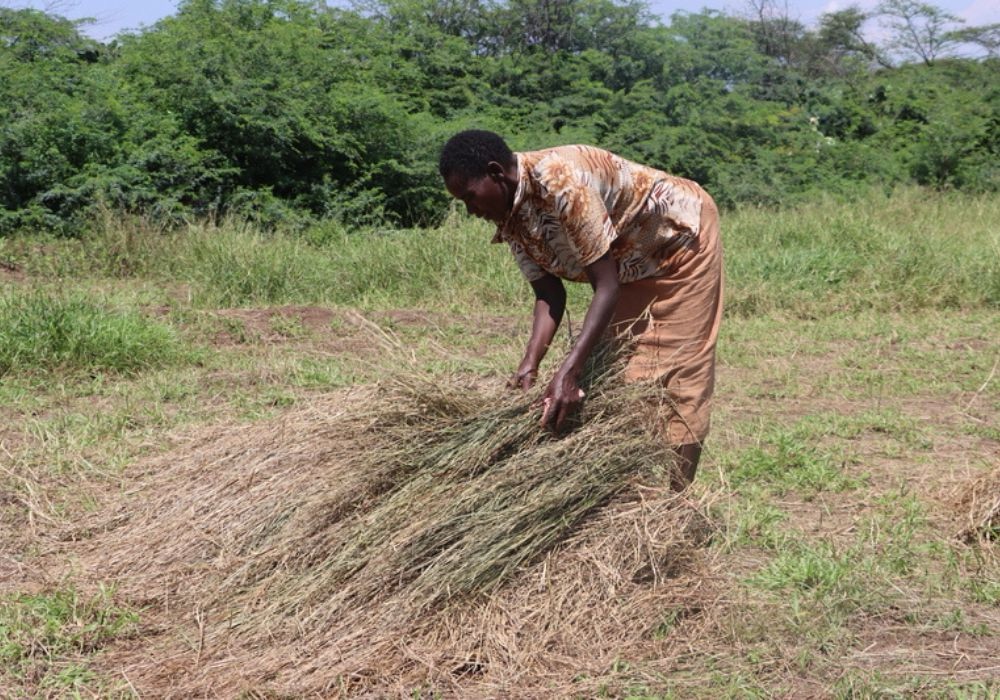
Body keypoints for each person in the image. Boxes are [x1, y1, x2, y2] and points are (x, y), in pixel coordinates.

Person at [439, 130, 723, 490]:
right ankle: (627, 489)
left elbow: (606, 286)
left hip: (679, 244)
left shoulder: (562, 183)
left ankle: (677, 502)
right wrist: (531, 363)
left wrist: (569, 370)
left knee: (682, 375)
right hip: (628, 262)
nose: (470, 211)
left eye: (469, 197)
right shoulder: (509, 213)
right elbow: (548, 293)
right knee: (618, 372)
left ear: (496, 173)